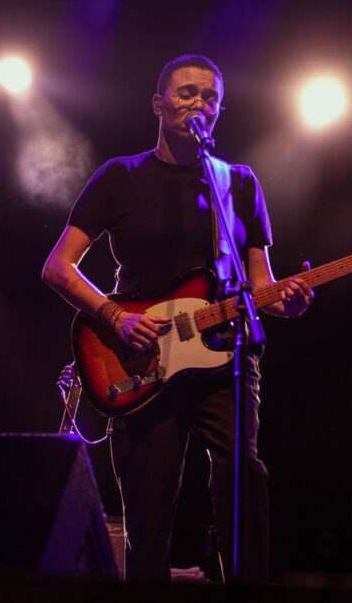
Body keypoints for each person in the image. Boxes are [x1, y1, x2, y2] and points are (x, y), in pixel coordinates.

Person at [42, 54, 313, 583]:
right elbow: (58, 267)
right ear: (159, 104)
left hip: (225, 358)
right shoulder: (120, 176)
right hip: (142, 357)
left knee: (243, 479)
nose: (199, 104)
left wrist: (289, 302)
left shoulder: (238, 183)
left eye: (210, 98)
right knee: (149, 509)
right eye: (187, 93)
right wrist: (115, 317)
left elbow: (260, 287)